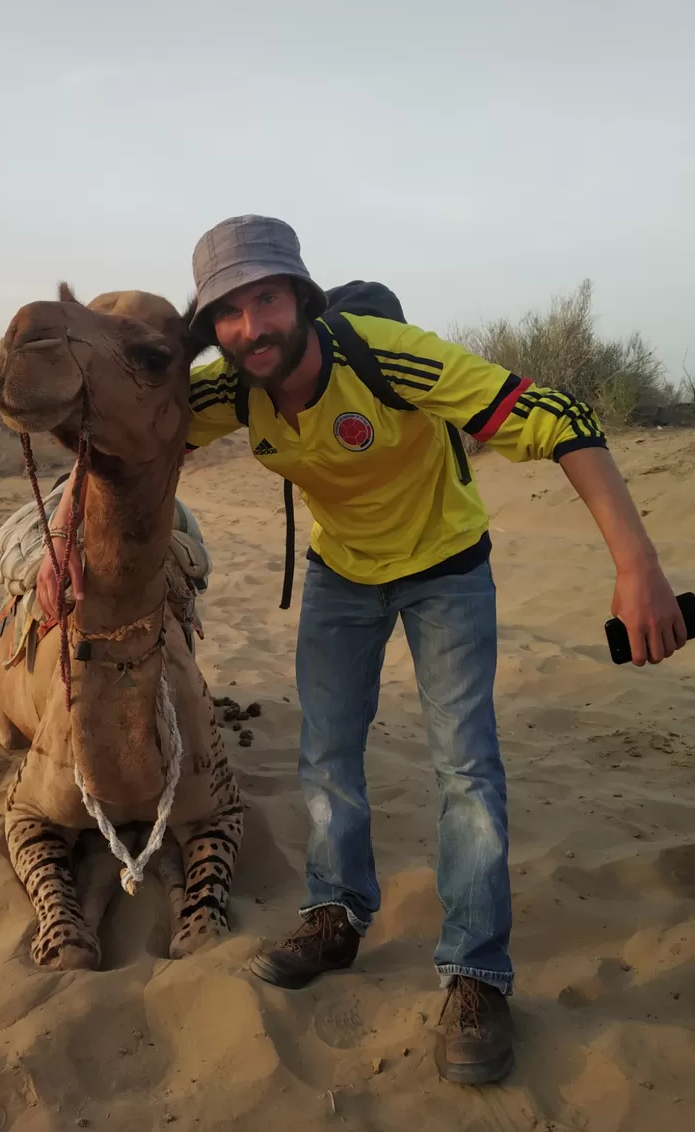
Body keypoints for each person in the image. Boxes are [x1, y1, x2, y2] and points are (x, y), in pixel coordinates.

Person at [36, 215, 686, 1086]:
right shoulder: (233, 393)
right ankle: (335, 914)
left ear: (299, 297)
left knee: (465, 770)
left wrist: (637, 567)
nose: (250, 328)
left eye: (265, 300)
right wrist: (60, 548)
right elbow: (133, 435)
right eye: (226, 313)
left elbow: (558, 416)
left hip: (446, 567)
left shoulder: (390, 356)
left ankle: (476, 975)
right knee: (327, 756)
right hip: (341, 573)